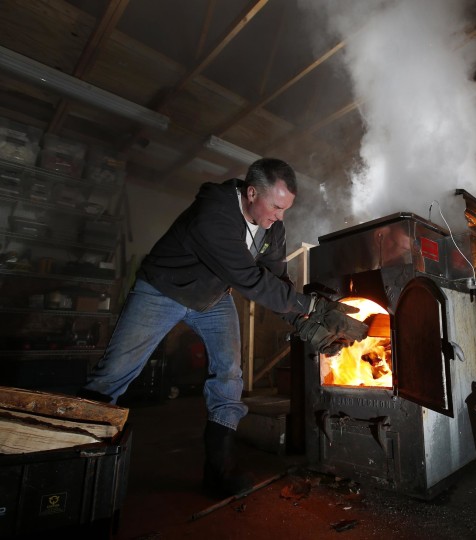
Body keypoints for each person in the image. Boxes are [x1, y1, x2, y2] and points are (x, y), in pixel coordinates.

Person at [78, 157, 368, 498]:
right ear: (250, 193)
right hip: (163, 289)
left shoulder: (273, 227)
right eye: (276, 206)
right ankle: (75, 460)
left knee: (230, 374)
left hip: (213, 295)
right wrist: (314, 307)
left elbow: (275, 278)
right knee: (115, 373)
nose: (280, 216)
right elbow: (248, 279)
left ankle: (217, 472)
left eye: (285, 209)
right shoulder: (213, 212)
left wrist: (299, 320)